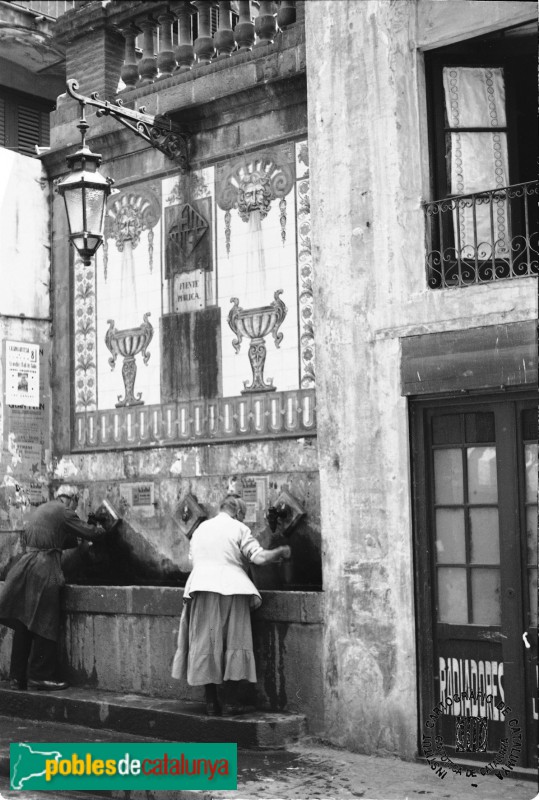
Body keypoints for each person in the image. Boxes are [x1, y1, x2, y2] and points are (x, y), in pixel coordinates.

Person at [171, 494, 291, 716]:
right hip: (232, 589)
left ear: (221, 508)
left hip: (200, 589)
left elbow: (193, 560)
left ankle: (211, 701)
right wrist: (280, 552)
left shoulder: (200, 529)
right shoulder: (238, 528)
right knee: (236, 642)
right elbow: (259, 558)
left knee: (206, 643)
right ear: (238, 513)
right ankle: (230, 702)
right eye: (242, 516)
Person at [0, 485, 106, 691]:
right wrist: (101, 528)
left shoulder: (44, 509)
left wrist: (83, 534)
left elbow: (66, 541)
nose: (75, 509)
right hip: (44, 569)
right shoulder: (64, 511)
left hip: (24, 567)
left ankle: (16, 677)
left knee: (24, 621)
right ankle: (40, 676)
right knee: (45, 621)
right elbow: (90, 534)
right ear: (72, 499)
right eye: (76, 504)